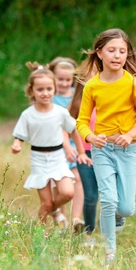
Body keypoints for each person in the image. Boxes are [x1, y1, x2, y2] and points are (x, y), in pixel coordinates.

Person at [76, 28, 136, 264]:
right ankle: (109, 252)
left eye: (122, 51)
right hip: (102, 150)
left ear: (127, 55)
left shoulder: (134, 85)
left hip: (127, 150)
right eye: (111, 50)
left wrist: (131, 133)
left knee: (127, 207)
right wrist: (91, 137)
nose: (117, 55)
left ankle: (119, 219)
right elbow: (81, 121)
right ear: (100, 53)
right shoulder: (92, 86)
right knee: (109, 201)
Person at [12, 62, 91, 232]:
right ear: (31, 91)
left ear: (54, 89)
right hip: (39, 159)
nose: (45, 93)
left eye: (49, 89)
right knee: (45, 203)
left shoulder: (60, 112)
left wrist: (82, 152)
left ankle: (55, 210)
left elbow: (73, 131)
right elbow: (19, 135)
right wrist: (17, 144)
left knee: (68, 193)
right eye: (40, 90)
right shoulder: (28, 115)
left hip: (58, 157)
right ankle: (40, 233)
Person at [47, 57, 85, 234]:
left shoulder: (76, 95)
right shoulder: (49, 97)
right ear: (53, 78)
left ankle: (76, 217)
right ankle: (60, 219)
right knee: (59, 183)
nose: (63, 83)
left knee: (77, 179)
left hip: (71, 143)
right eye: (59, 79)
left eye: (67, 80)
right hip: (54, 145)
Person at [68, 78, 100, 246]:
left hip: (105, 152)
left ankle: (108, 227)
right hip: (85, 153)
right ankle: (88, 233)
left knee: (110, 195)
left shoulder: (108, 101)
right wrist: (68, 147)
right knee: (91, 195)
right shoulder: (78, 105)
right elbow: (66, 128)